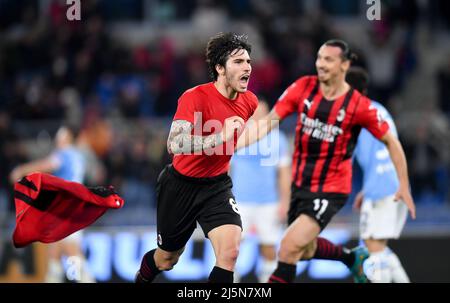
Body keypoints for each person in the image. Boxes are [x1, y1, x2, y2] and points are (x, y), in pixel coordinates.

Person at [237, 39, 416, 283]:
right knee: (304, 250)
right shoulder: (302, 88)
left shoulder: (359, 107)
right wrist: (229, 145)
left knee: (287, 248)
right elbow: (267, 124)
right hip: (302, 186)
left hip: (330, 188)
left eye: (329, 59)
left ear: (344, 65)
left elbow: (392, 142)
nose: (321, 63)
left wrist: (403, 184)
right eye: (319, 58)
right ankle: (352, 258)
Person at [135, 32, 258, 283]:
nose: (247, 67)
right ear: (220, 68)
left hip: (217, 187)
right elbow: (174, 143)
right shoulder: (195, 97)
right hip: (181, 185)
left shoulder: (250, 102)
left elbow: (236, 140)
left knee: (230, 253)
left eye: (248, 61)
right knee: (167, 259)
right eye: (238, 62)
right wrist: (219, 137)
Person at [346, 67, 411, 283]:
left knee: (373, 248)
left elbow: (344, 158)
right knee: (379, 247)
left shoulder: (356, 116)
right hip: (393, 184)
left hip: (383, 190)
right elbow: (386, 153)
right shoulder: (379, 109)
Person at [9, 125, 95, 283]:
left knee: (73, 254)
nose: (58, 137)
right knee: (56, 254)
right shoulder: (77, 155)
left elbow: (47, 165)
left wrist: (21, 171)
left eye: (61, 135)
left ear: (68, 137)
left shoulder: (64, 153)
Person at [230, 98, 291, 283]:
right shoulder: (236, 137)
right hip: (239, 201)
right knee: (231, 250)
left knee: (269, 248)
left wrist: (285, 202)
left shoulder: (277, 138)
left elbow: (284, 174)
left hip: (268, 202)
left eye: (261, 113)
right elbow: (225, 170)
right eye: (254, 112)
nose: (257, 116)